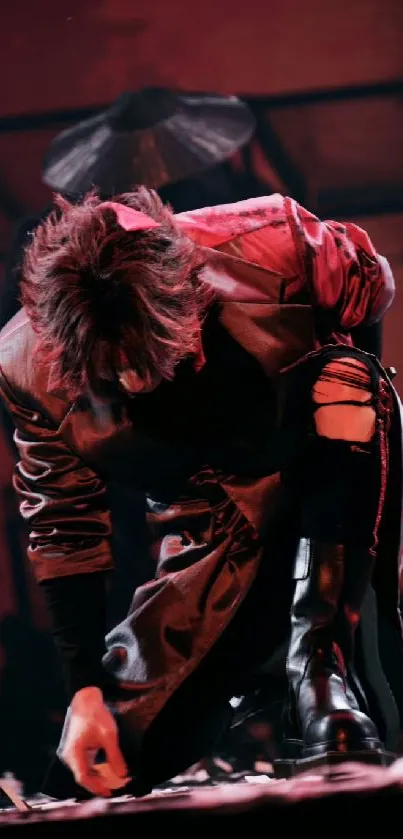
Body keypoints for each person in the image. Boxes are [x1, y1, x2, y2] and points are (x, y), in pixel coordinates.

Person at [0, 188, 402, 798]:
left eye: (149, 361)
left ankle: (320, 667)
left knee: (349, 382)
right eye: (117, 373)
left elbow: (369, 295)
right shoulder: (26, 365)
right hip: (208, 538)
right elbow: (63, 524)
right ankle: (253, 668)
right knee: (96, 772)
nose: (135, 381)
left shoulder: (275, 247)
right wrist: (84, 690)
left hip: (314, 488)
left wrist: (357, 504)